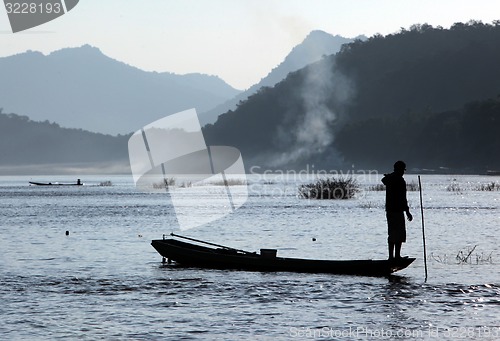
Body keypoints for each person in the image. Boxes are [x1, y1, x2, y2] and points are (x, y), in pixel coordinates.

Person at [381, 161, 413, 260]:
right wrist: (407, 212)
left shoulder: (390, 178)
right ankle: (396, 256)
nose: (403, 172)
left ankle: (392, 257)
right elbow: (403, 198)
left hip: (390, 210)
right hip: (397, 211)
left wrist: (391, 175)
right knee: (398, 234)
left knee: (392, 233)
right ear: (400, 170)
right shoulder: (400, 180)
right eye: (403, 170)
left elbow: (384, 180)